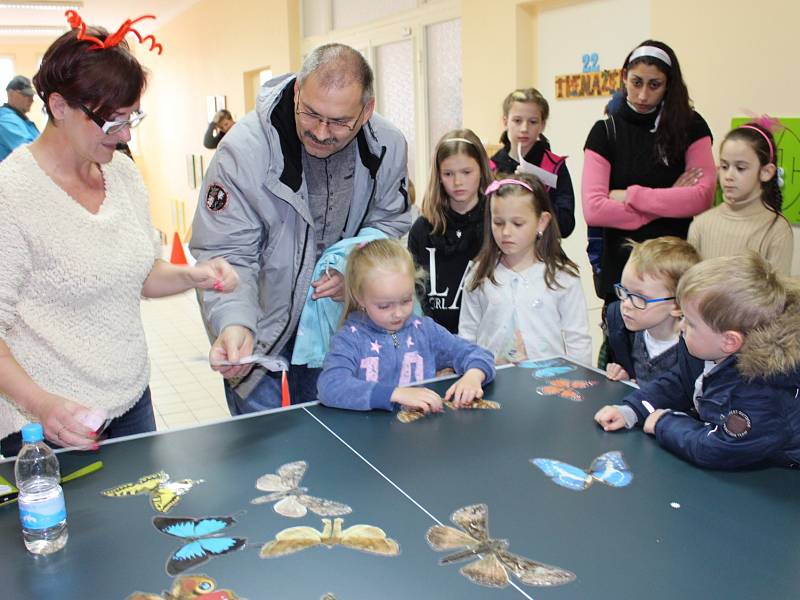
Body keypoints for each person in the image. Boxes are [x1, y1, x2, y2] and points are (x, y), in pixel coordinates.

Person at [0, 14, 239, 457]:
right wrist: (42, 405)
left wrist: (195, 275)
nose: (126, 135)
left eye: (132, 119)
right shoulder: (11, 195)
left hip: (132, 403)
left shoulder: (123, 175)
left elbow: (143, 272)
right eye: (112, 123)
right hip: (52, 425)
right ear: (58, 107)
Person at [190, 43, 410, 415]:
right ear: (296, 91)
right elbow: (226, 255)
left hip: (340, 329)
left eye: (340, 121)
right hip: (260, 332)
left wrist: (356, 275)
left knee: (337, 443)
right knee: (264, 454)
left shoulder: (387, 146)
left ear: (367, 110)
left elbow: (389, 223)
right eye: (311, 114)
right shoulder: (242, 153)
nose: (322, 132)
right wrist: (233, 323)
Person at [594, 254, 800, 470]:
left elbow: (719, 449)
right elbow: (679, 382)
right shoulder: (704, 348)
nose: (681, 327)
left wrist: (665, 423)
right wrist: (633, 410)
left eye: (690, 322)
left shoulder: (763, 392)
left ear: (730, 341)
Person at [581, 40, 715, 365]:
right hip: (622, 282)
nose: (642, 95)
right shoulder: (605, 131)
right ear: (624, 76)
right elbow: (594, 207)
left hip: (673, 285)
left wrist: (632, 196)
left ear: (669, 86)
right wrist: (667, 199)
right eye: (636, 82)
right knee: (620, 377)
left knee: (676, 380)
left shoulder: (692, 127)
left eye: (654, 85)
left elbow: (702, 196)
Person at [317, 239, 495, 412]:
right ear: (360, 297)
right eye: (385, 306)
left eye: (406, 300)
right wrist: (393, 394)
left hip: (421, 433)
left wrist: (474, 375)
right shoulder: (349, 339)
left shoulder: (425, 330)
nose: (398, 313)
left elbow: (477, 353)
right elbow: (330, 386)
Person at [459, 173, 592, 365]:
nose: (506, 232)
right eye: (498, 223)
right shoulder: (479, 275)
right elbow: (467, 338)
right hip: (492, 386)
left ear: (542, 222)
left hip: (550, 386)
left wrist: (578, 384)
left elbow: (578, 341)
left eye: (517, 223)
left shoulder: (563, 277)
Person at [407, 129, 491, 333]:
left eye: (466, 172)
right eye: (448, 174)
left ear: (481, 170)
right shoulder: (422, 229)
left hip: (483, 339)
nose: (458, 182)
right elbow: (414, 291)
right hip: (433, 338)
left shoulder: (494, 224)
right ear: (439, 176)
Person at [688, 120, 793, 275]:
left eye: (740, 168)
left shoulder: (777, 229)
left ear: (766, 172)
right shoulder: (701, 224)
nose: (729, 176)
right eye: (724, 167)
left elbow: (777, 293)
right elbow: (690, 285)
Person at [605, 236, 701, 384]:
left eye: (640, 297)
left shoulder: (696, 351)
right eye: (624, 291)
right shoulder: (622, 330)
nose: (626, 304)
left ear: (677, 306)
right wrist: (625, 378)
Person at [490, 88, 575, 238]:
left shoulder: (555, 166)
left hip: (543, 253)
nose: (524, 128)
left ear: (542, 125)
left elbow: (566, 225)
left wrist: (538, 188)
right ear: (505, 121)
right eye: (517, 121)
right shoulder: (491, 167)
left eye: (533, 122)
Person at [0, 75, 40, 161]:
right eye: (26, 95)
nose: (31, 100)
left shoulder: (20, 119)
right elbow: (32, 153)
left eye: (32, 96)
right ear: (11, 93)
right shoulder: (6, 120)